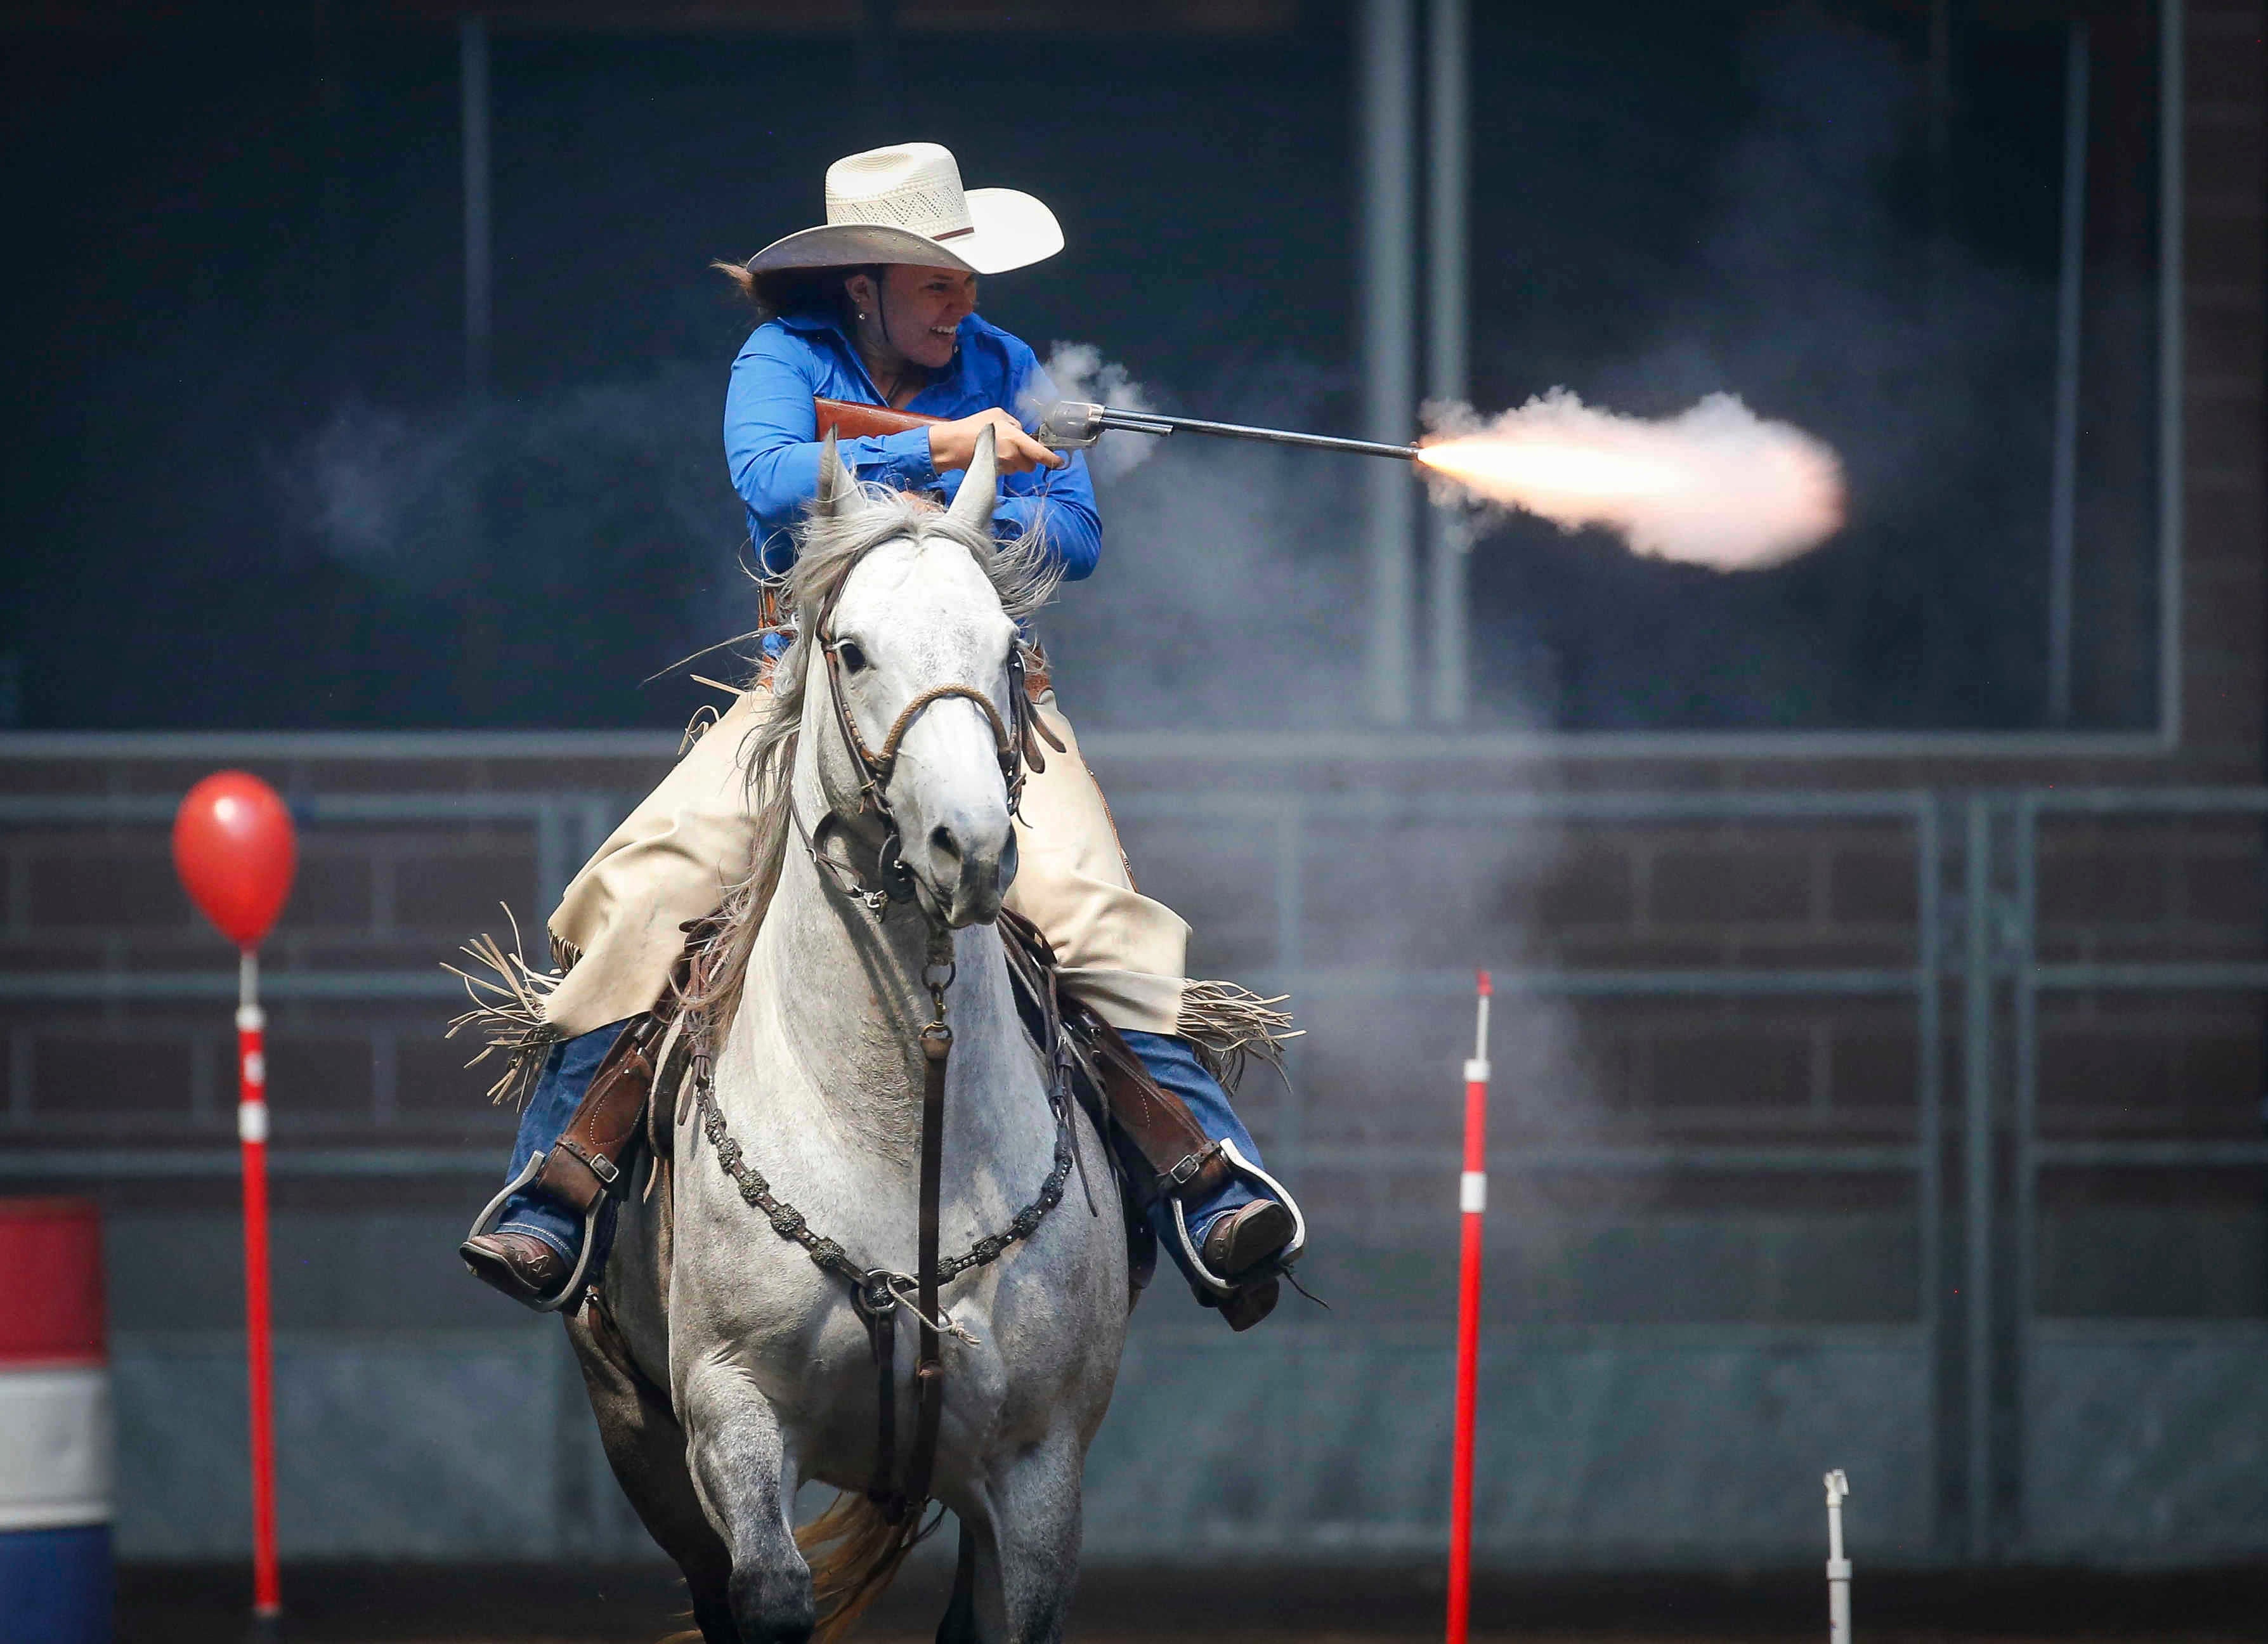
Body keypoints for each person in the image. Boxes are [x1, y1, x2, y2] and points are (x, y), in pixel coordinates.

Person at [459, 142, 1298, 1328]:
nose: (966, 305)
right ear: (865, 289)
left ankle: (1207, 1186)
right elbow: (769, 478)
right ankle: (555, 1192)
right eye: (938, 284)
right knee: (640, 891)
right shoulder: (783, 357)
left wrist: (951, 505)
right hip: (809, 697)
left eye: (965, 282)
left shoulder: (1004, 362)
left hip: (993, 696)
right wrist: (951, 453)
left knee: (1093, 911)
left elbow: (1074, 538)